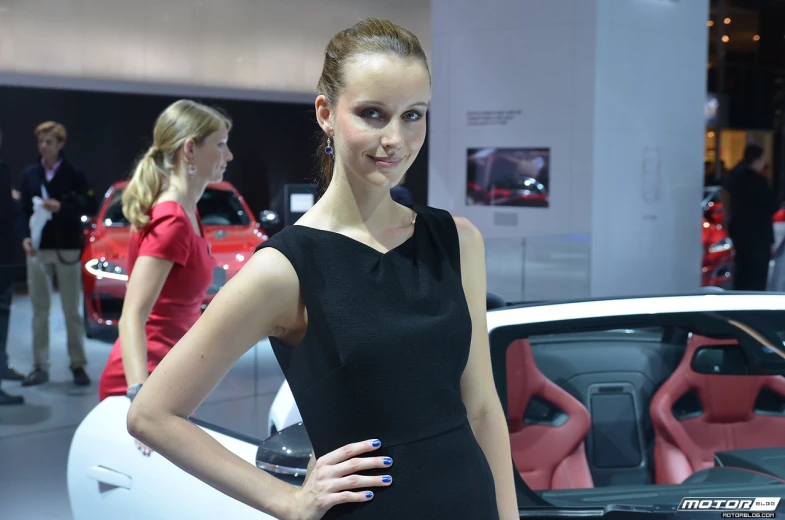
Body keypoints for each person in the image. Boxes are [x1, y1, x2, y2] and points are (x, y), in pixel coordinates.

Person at [127, 18, 518, 520]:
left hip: (471, 502)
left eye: (413, 115)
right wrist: (286, 500)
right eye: (372, 114)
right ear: (326, 113)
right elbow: (152, 414)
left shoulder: (458, 240)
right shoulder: (285, 269)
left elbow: (482, 407)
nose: (396, 138)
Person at [98, 100, 232, 422]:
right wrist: (138, 396)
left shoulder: (189, 211)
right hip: (145, 383)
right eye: (221, 145)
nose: (229, 156)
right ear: (190, 150)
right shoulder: (171, 220)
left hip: (172, 377)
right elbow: (132, 314)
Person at [18, 121, 96, 387]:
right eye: (40, 142)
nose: (43, 146)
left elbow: (89, 203)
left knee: (71, 311)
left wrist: (62, 207)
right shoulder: (30, 174)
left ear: (61, 144)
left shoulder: (75, 174)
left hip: (67, 249)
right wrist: (24, 238)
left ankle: (78, 364)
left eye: (49, 142)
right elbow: (21, 213)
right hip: (38, 250)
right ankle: (40, 366)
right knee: (39, 311)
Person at [721, 144, 779, 291]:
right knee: (756, 280)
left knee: (742, 278)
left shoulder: (735, 178)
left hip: (741, 236)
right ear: (757, 160)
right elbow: (773, 204)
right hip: (758, 238)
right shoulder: (758, 181)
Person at [0, 127, 25, 405]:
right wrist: (13, 200)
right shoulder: (2, 169)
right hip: (3, 259)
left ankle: (2, 366)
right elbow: (5, 213)